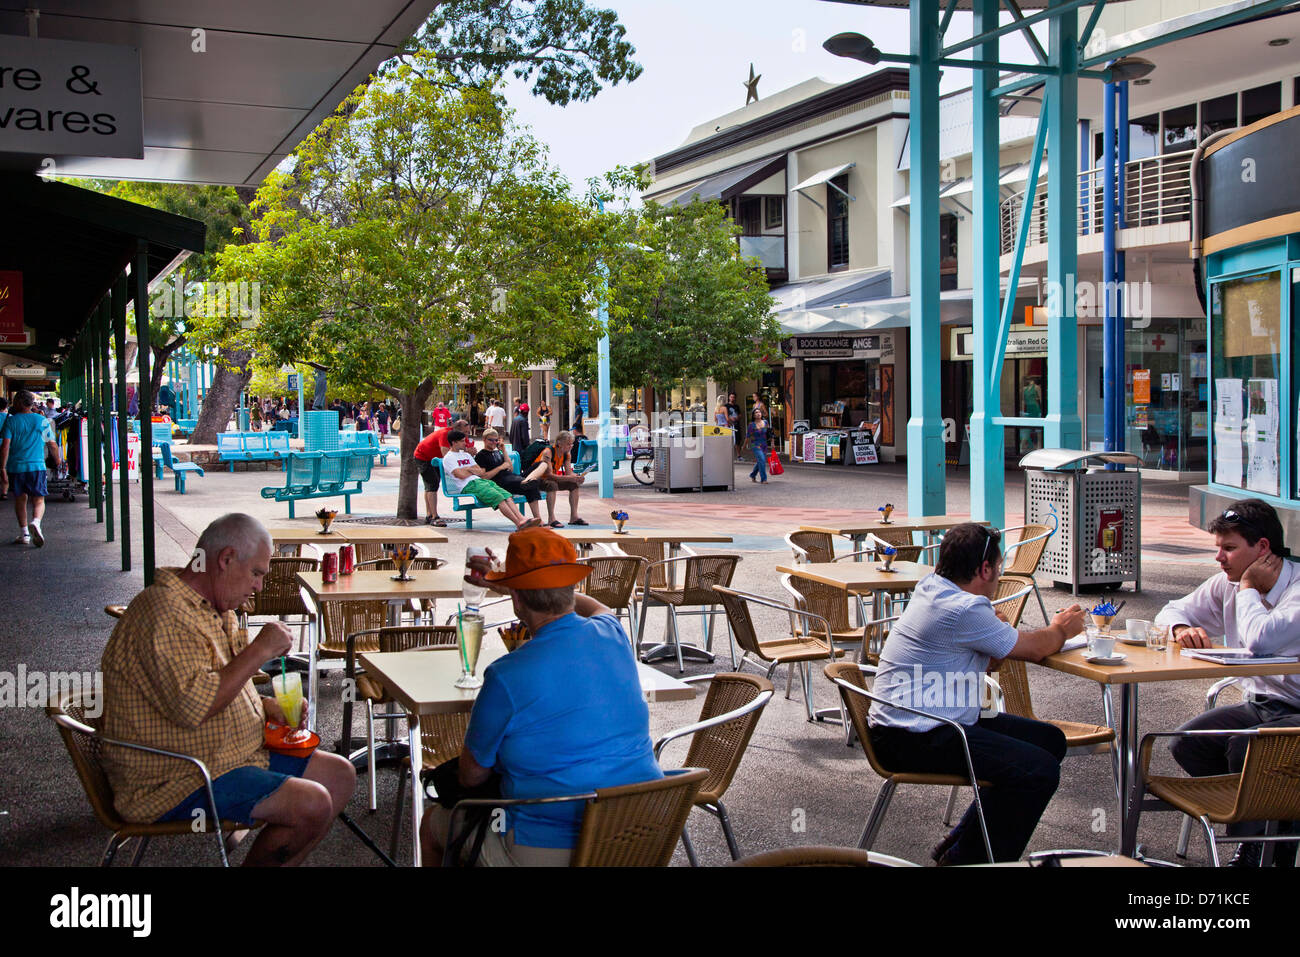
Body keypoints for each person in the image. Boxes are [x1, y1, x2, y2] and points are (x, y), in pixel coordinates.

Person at [100, 514, 356, 865]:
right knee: (312, 804)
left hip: (232, 755)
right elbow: (196, 705)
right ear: (225, 559)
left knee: (339, 776)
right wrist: (259, 651)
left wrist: (265, 706)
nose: (259, 587)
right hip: (177, 777)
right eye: (256, 573)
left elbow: (221, 681)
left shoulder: (212, 608)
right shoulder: (164, 614)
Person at [419, 527, 661, 865]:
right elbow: (597, 607)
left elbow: (471, 776)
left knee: (433, 824)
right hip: (640, 834)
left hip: (549, 844)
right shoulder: (613, 633)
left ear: (516, 600)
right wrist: (535, 586)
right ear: (570, 587)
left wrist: (517, 585)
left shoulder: (506, 674)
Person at [868, 523, 1085, 865]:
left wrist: (996, 628)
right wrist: (1062, 628)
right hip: (914, 735)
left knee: (1050, 741)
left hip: (919, 719)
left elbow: (993, 660)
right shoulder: (964, 609)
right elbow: (1035, 649)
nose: (999, 576)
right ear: (984, 569)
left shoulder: (932, 587)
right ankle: (969, 861)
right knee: (1037, 771)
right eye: (998, 569)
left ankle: (960, 843)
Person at [1153, 499, 1300, 866]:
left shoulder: (1295, 588)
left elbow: (1260, 639)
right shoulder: (1226, 582)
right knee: (1188, 744)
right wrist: (1182, 628)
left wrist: (1249, 587)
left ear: (1262, 548)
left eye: (1229, 548)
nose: (1220, 558)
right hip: (1264, 705)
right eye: (1218, 547)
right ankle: (1270, 824)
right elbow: (1170, 609)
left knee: (1245, 749)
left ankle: (1258, 851)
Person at [0, 390, 62, 547]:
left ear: (17, 403)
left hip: (16, 467)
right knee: (39, 499)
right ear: (31, 403)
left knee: (20, 500)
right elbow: (52, 444)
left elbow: (5, 447)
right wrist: (57, 459)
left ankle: (24, 534)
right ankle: (36, 522)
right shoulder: (41, 420)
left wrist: (2, 468)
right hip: (37, 466)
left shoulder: (11, 421)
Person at [442, 431, 538, 530]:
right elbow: (461, 475)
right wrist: (471, 470)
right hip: (469, 485)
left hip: (481, 482)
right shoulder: (449, 458)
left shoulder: (466, 455)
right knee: (499, 497)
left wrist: (468, 469)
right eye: (462, 441)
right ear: (454, 442)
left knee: (507, 496)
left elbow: (481, 472)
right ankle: (519, 523)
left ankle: (522, 519)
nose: (465, 443)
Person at [412, 417, 471, 526]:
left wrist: (468, 451)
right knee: (432, 484)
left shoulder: (460, 438)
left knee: (431, 486)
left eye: (468, 433)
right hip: (424, 456)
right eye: (465, 432)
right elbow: (446, 455)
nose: (466, 436)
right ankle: (434, 516)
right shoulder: (446, 434)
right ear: (457, 430)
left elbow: (465, 451)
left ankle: (429, 514)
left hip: (435, 458)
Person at [522, 430, 586, 528]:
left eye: (571, 444)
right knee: (552, 485)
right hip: (536, 479)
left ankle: (574, 517)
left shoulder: (566, 454)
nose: (571, 446)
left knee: (574, 485)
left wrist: (576, 478)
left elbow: (569, 473)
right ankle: (551, 519)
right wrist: (570, 477)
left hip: (549, 478)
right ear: (560, 444)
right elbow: (549, 475)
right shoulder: (548, 452)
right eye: (568, 444)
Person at [476, 428, 542, 522]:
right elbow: (484, 477)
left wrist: (504, 450)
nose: (493, 442)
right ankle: (527, 482)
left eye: (496, 440)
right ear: (484, 439)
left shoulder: (497, 452)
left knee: (539, 467)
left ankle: (538, 519)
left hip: (511, 477)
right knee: (530, 485)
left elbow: (510, 468)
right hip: (500, 482)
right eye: (490, 440)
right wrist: (500, 467)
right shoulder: (481, 455)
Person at [747, 415, 769, 484]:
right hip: (755, 444)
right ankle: (764, 479)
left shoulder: (765, 422)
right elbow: (748, 436)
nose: (758, 413)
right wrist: (744, 446)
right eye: (756, 412)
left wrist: (772, 442)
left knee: (760, 461)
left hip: (764, 444)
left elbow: (769, 433)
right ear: (753, 415)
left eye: (759, 412)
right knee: (762, 460)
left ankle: (752, 475)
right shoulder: (751, 425)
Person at [725, 392, 741, 457]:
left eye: (733, 397)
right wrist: (729, 418)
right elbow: (724, 415)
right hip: (729, 425)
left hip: (736, 424)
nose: (732, 398)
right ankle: (728, 455)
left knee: (737, 440)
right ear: (729, 397)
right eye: (731, 397)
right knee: (729, 440)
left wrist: (738, 417)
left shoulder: (737, 406)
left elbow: (740, 414)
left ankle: (739, 455)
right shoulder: (726, 406)